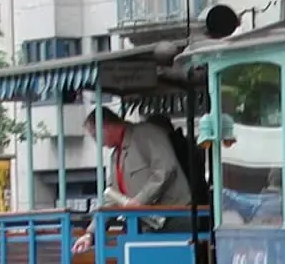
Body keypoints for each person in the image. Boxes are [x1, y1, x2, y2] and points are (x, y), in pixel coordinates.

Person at [72, 107, 194, 254]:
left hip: (174, 219)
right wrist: (90, 233)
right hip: (149, 225)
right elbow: (112, 199)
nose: (100, 144)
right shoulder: (115, 156)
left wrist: (139, 200)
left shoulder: (146, 134)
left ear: (106, 127)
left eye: (96, 136)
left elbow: (165, 169)